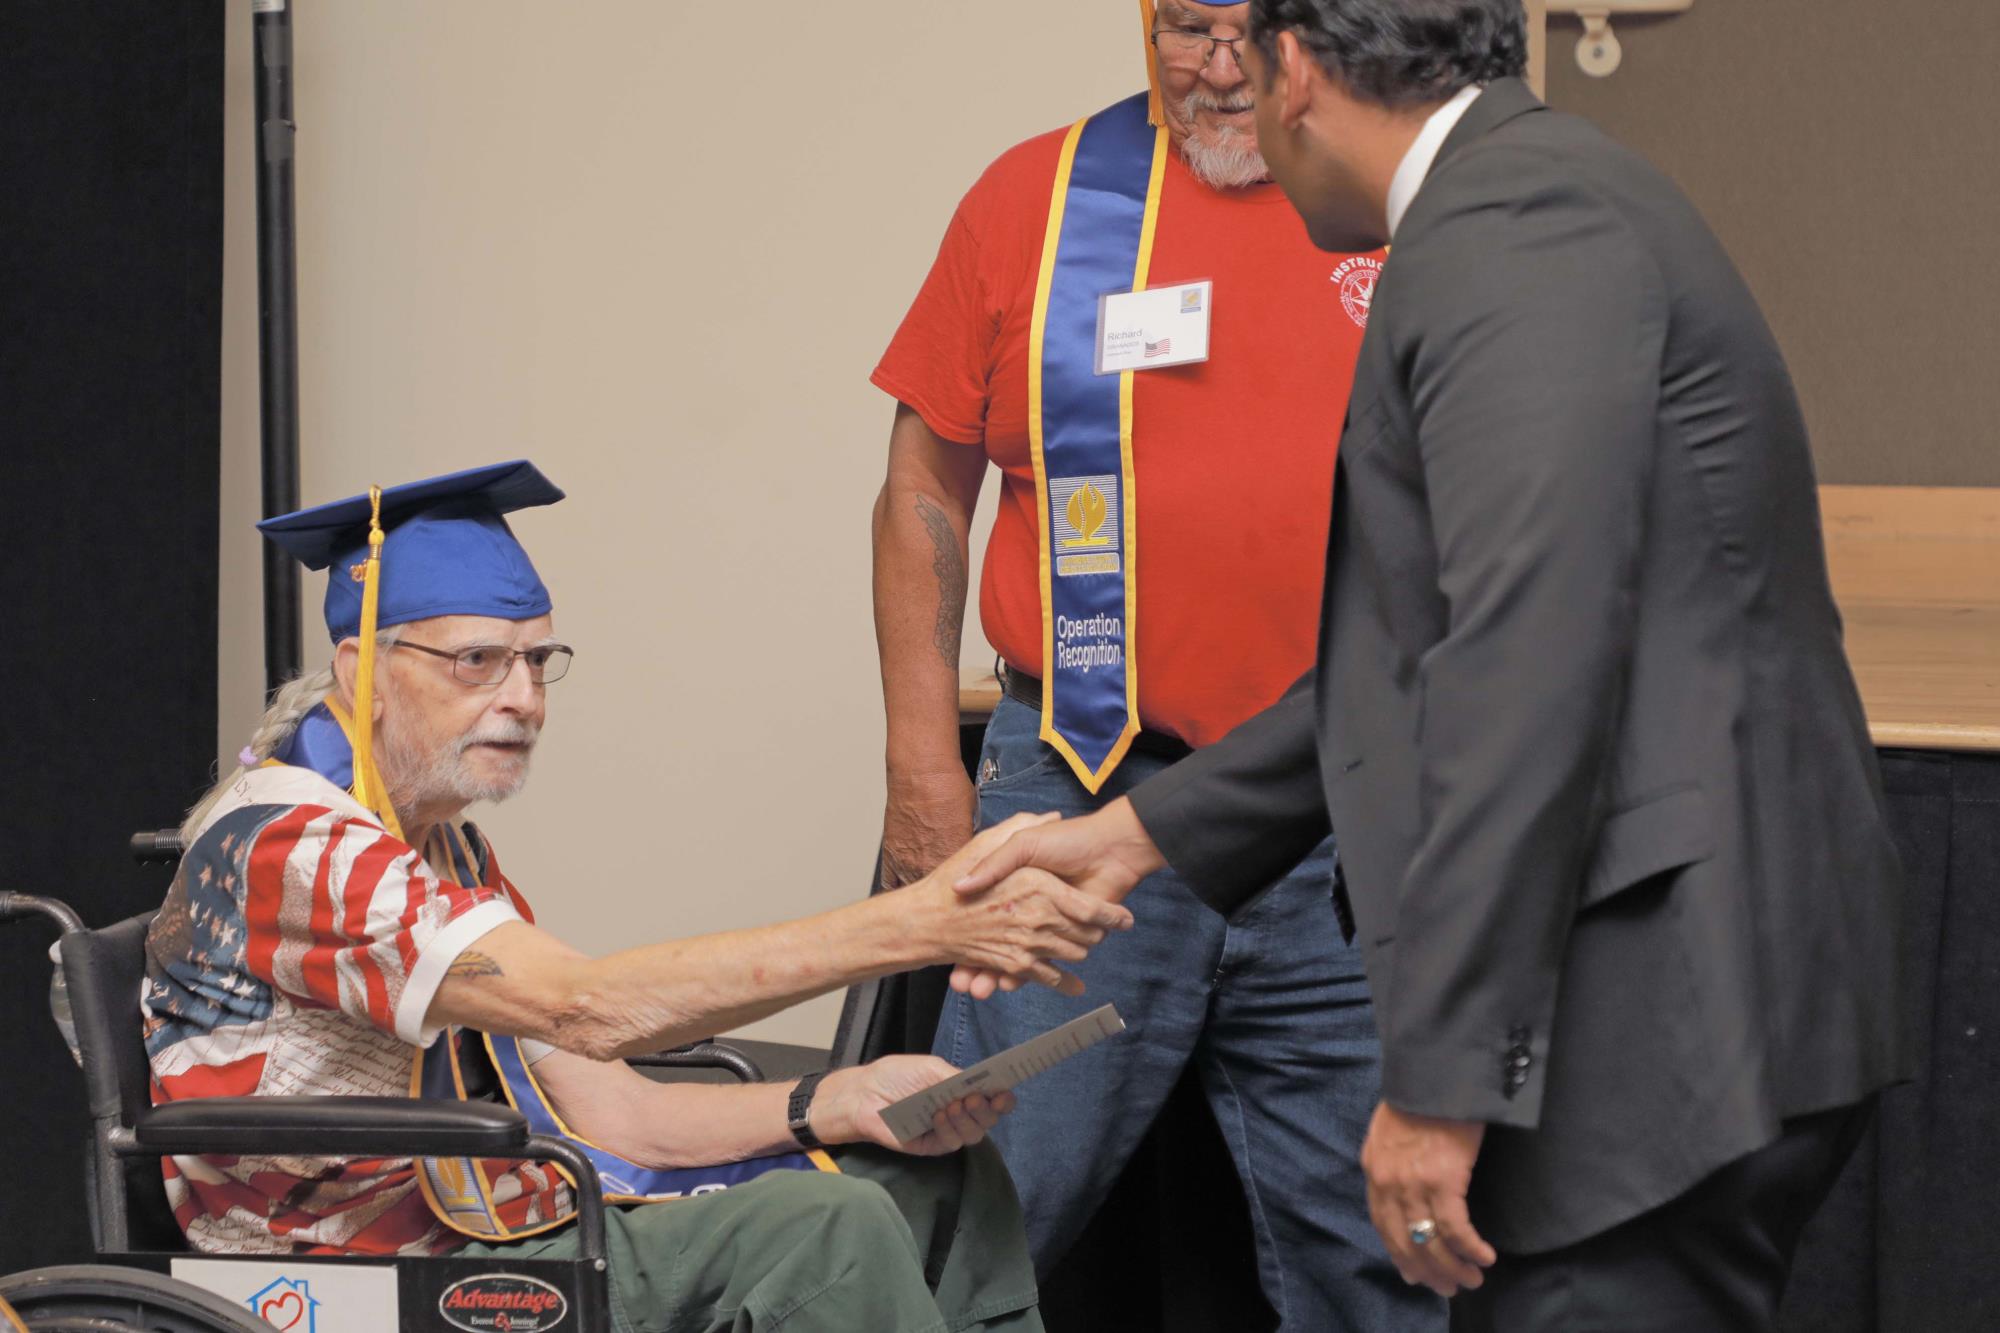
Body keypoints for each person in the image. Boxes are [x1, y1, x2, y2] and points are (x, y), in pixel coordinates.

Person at [950, 2, 1911, 1328]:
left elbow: (1522, 671)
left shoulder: (1510, 232)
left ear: (1293, 67)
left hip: (1669, 1019)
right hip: (1681, 1006)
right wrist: (1141, 835)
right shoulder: (1522, 197)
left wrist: (1443, 1083)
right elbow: (1419, 652)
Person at [145, 461, 1134, 1332]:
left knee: (934, 1177)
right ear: (363, 672)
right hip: (363, 1276)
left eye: (537, 660)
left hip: (500, 1205)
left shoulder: (444, 848)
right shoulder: (299, 847)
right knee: (823, 1233)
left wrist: (834, 1098)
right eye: (477, 661)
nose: (524, 697)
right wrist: (915, 920)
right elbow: (590, 1003)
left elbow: (606, 1100)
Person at [869, 2, 1432, 1327]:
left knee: (1375, 1244)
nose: (1217, 67)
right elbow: (922, 491)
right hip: (1079, 793)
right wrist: (917, 768)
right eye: (1186, 26)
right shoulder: (1040, 201)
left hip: (1339, 817)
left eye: (1251, 29)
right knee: (982, 1203)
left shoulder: (1394, 204)